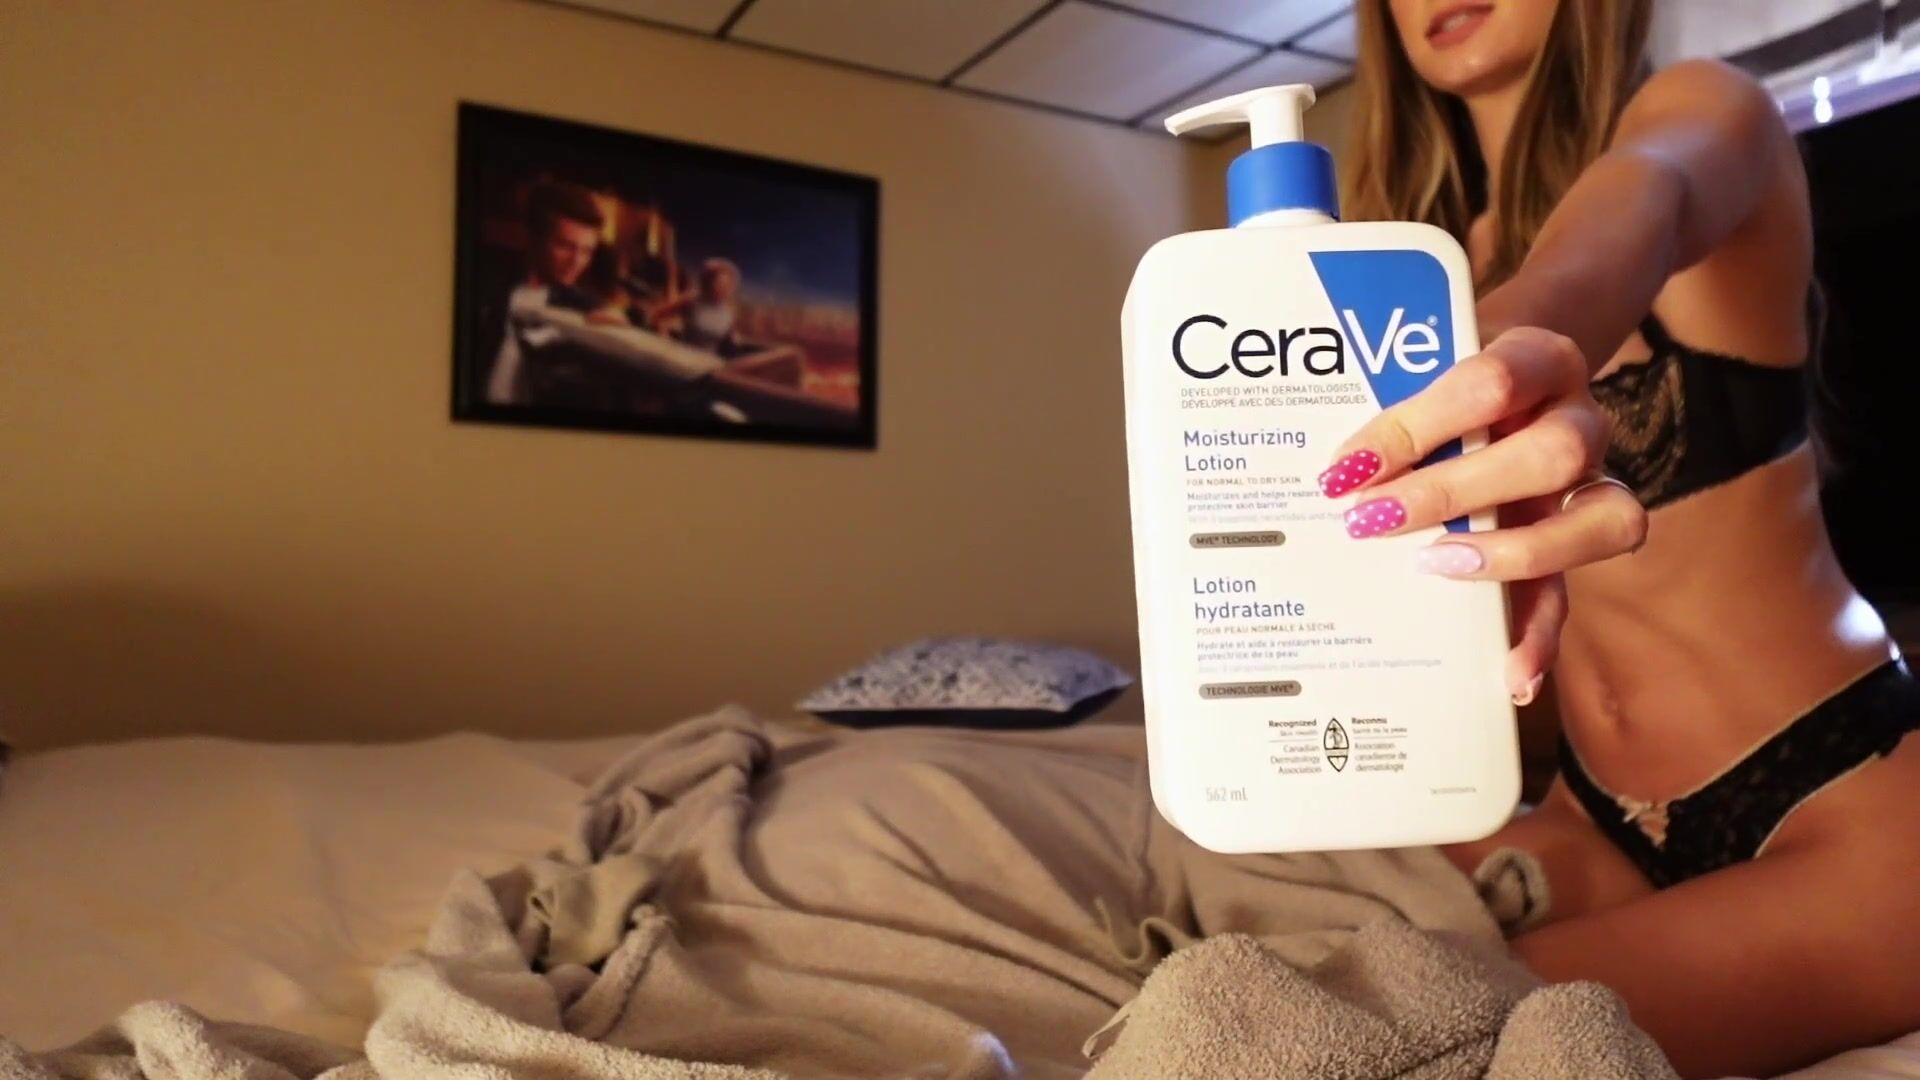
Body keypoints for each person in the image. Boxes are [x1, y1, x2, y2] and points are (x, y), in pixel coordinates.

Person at [1316, 3, 1920, 1076]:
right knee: (1325, 968)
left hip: (1839, 795)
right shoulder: (1425, 264)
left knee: (1438, 1038)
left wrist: (1518, 340)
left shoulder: (1705, 119)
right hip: (1592, 813)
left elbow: (1650, 193)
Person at [483, 180, 610, 405]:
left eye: (587, 251)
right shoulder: (489, 284)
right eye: (565, 246)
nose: (577, 262)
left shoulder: (583, 306)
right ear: (534, 238)